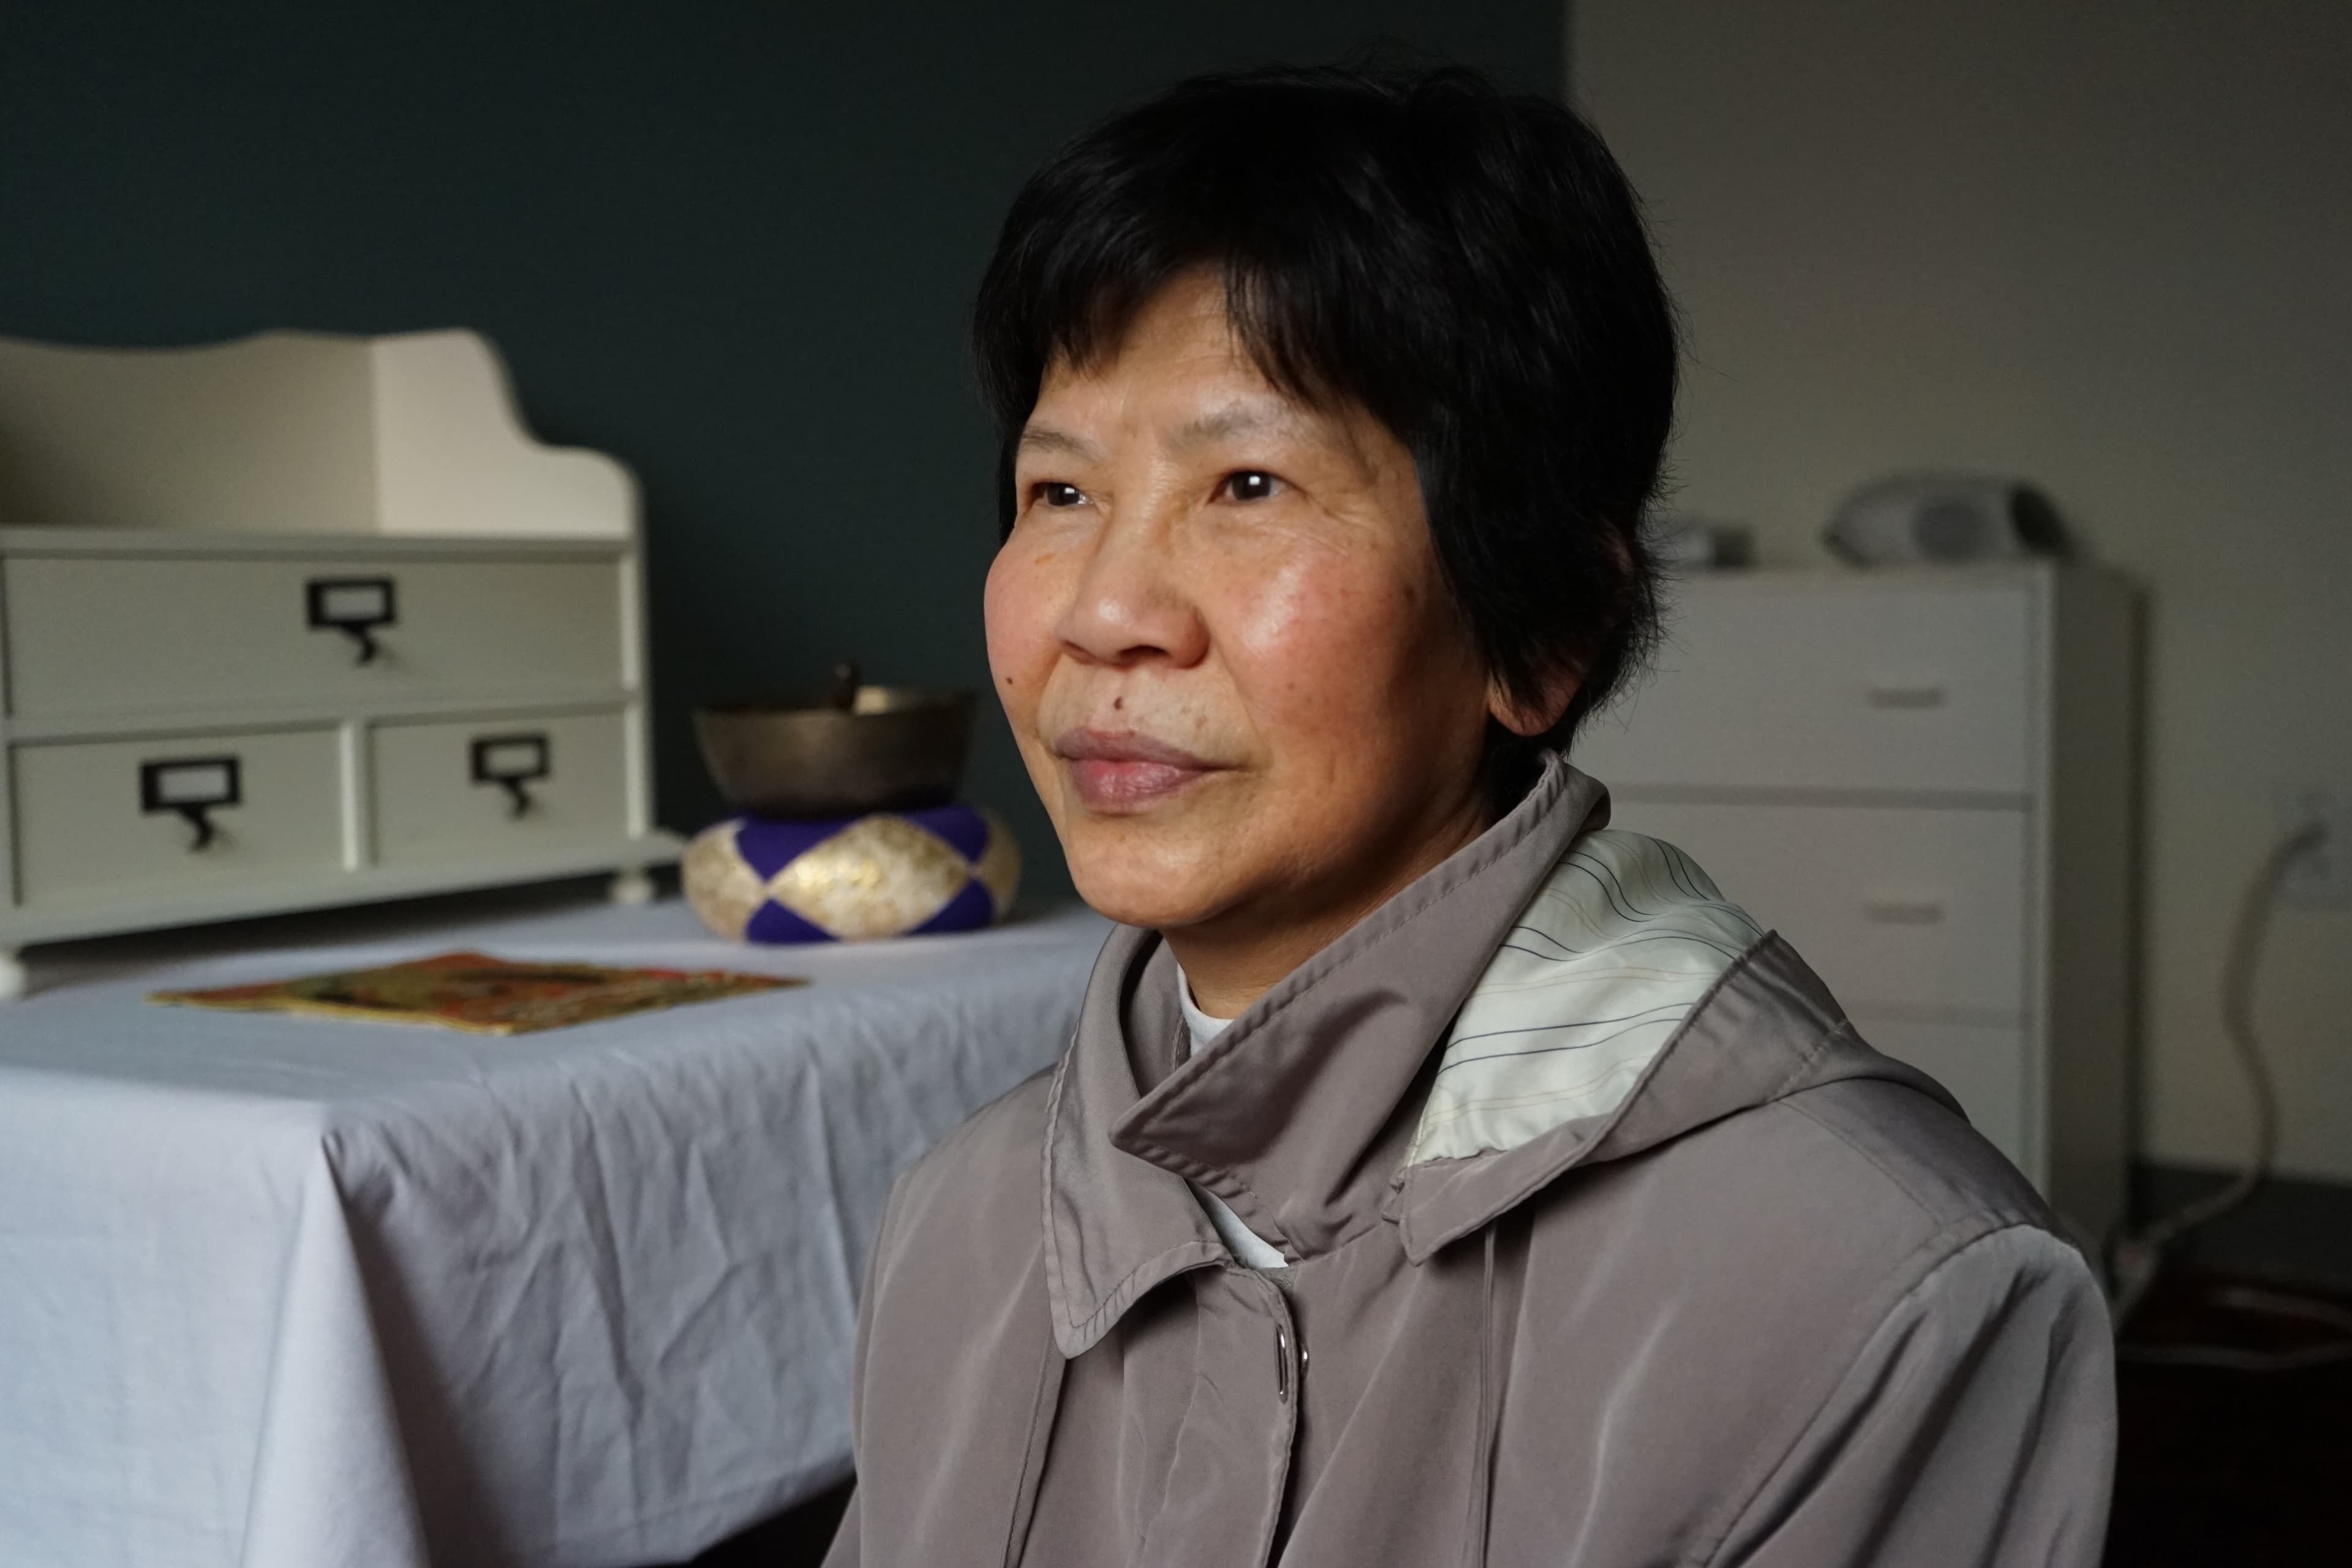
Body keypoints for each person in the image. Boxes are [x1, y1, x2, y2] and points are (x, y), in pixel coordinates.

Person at [823, 63, 2114, 1567]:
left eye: (1248, 481)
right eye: (1057, 493)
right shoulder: (963, 1216)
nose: (1106, 613)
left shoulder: (1878, 1284)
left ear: (1539, 628)